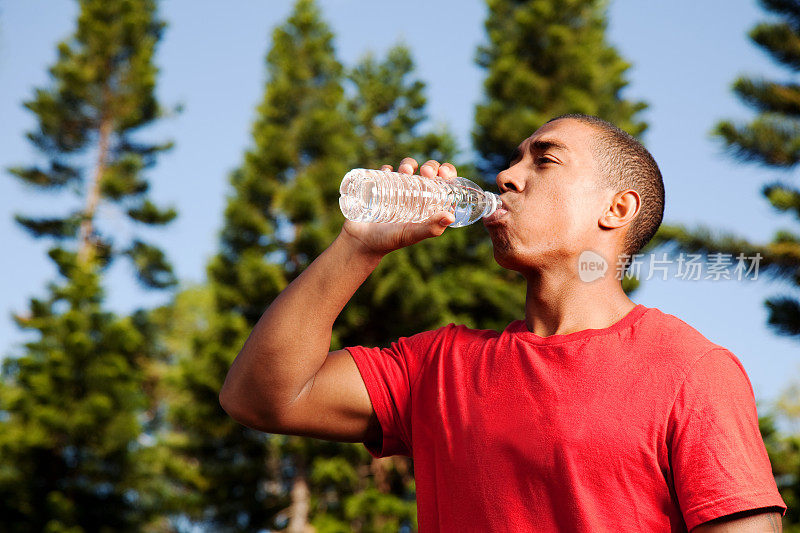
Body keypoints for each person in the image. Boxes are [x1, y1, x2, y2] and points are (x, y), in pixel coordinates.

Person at [219, 114, 787, 532]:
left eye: (545, 159)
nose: (508, 176)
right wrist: (357, 248)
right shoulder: (437, 365)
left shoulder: (691, 369)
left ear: (616, 209)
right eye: (514, 160)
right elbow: (261, 398)